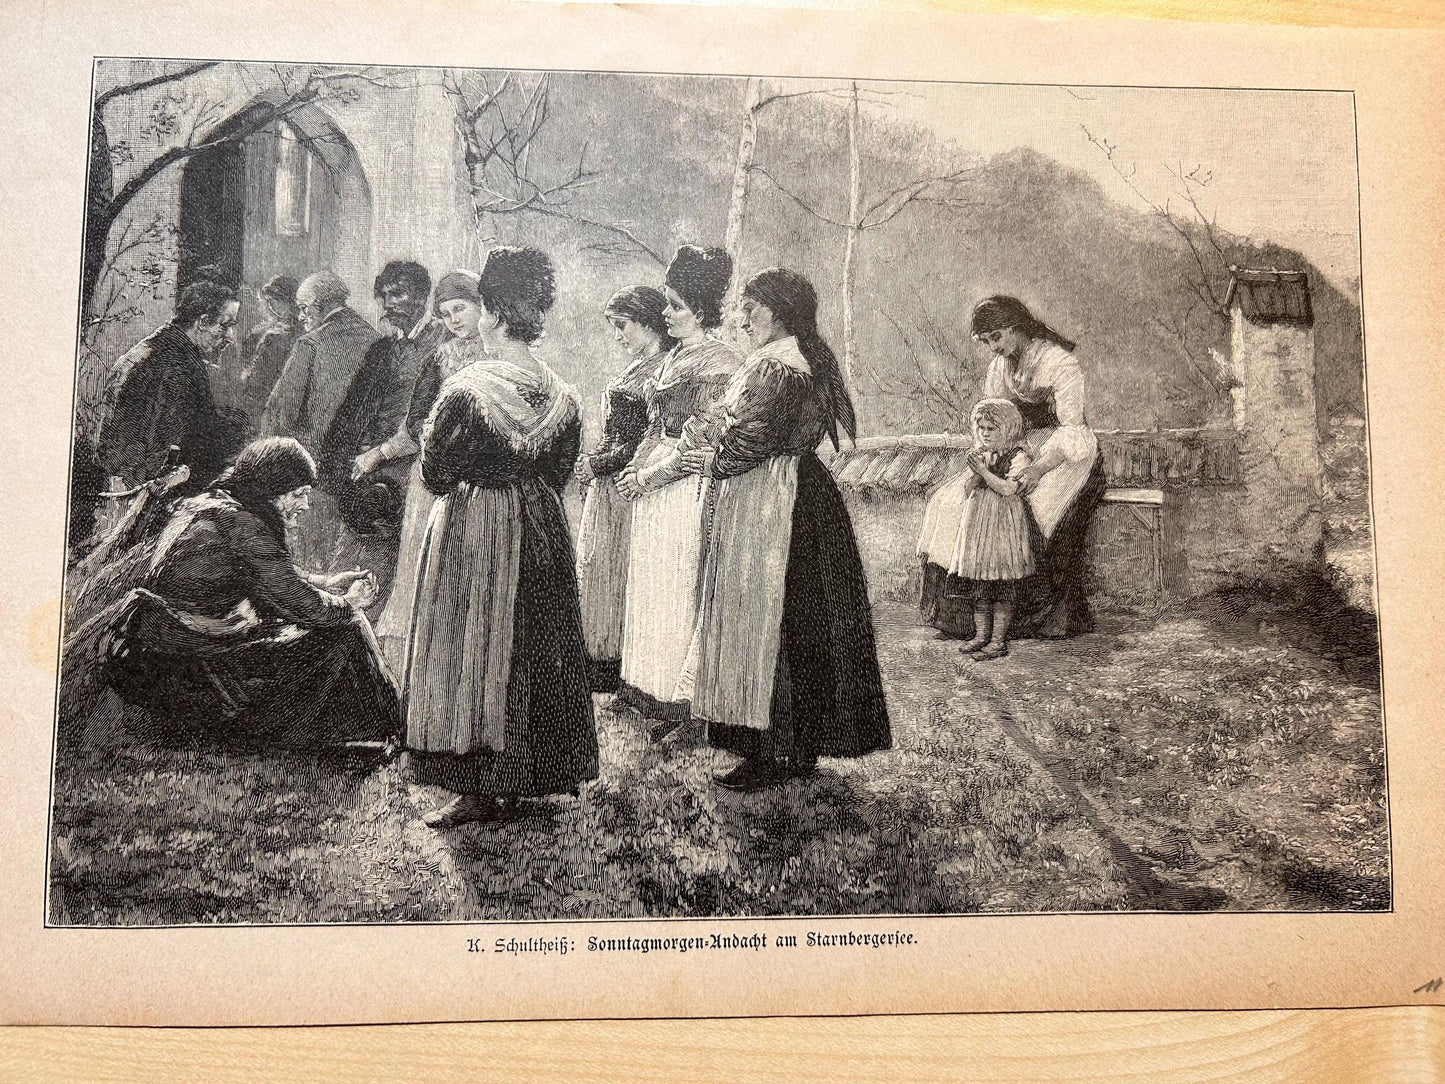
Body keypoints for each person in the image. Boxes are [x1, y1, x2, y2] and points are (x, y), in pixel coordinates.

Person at [404, 247, 598, 829]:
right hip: (541, 526)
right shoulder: (563, 394)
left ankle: (478, 786)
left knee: (476, 641)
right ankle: (528, 773)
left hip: (477, 527)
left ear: (490, 313)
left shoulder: (467, 388)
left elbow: (434, 472)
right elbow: (560, 472)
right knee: (533, 642)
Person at [678, 267, 890, 791]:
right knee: (794, 624)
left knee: (773, 622)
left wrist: (705, 454)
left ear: (781, 312)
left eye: (753, 308)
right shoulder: (792, 361)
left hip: (776, 504)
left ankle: (775, 751)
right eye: (742, 308)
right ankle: (788, 748)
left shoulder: (779, 367)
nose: (743, 318)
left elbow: (744, 445)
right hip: (794, 498)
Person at [100, 437, 400, 749]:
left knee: (321, 623)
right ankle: (383, 729)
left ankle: (368, 730)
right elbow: (301, 604)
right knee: (348, 626)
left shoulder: (212, 505)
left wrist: (324, 581)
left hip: (170, 647)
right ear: (272, 491)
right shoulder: (242, 524)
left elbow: (266, 573)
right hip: (197, 662)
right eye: (298, 494)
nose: (306, 505)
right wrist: (348, 602)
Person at [920, 296, 1104, 640]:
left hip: (1064, 456)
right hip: (1015, 449)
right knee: (949, 501)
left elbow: (1072, 431)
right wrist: (988, 459)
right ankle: (959, 617)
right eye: (987, 341)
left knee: (1027, 505)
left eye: (997, 338)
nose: (994, 348)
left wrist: (1036, 469)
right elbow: (992, 418)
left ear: (1016, 329)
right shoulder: (1000, 368)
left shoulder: (1060, 363)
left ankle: (1032, 619)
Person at [614, 245, 741, 728]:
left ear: (703, 310)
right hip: (654, 487)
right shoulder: (672, 359)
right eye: (666, 303)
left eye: (676, 306)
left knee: (679, 588)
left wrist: (650, 475)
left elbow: (698, 443)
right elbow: (655, 426)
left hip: (687, 490)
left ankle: (682, 702)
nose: (665, 314)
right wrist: (637, 466)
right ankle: (649, 690)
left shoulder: (723, 362)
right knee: (651, 588)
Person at [372, 269, 491, 672]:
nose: (454, 319)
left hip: (483, 480)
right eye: (445, 313)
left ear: (482, 305)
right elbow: (416, 424)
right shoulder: (440, 358)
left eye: (461, 309)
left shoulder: (501, 354)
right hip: (437, 477)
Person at [317, 261, 446, 616]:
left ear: (421, 296)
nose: (389, 304)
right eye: (385, 295)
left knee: (390, 574)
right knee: (349, 566)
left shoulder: (443, 345)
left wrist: (382, 454)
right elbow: (352, 412)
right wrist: (336, 467)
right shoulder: (382, 350)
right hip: (368, 477)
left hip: (411, 474)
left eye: (399, 294)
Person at [573, 286, 676, 692]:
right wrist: (590, 463)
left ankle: (616, 663)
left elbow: (638, 441)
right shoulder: (638, 366)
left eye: (622, 326)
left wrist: (596, 463)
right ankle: (599, 658)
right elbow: (615, 433)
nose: (618, 335)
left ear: (647, 321)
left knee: (620, 571)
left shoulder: (662, 369)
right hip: (608, 484)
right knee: (600, 569)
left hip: (628, 485)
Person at [262, 269, 382, 569]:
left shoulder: (310, 344)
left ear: (319, 304)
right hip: (363, 473)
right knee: (348, 560)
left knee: (312, 560)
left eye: (304, 309)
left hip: (315, 472)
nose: (301, 317)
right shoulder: (378, 340)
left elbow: (279, 414)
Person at [94, 279, 247, 498]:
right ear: (202, 322)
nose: (230, 337)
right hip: (141, 494)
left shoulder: (155, 348)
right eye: (225, 325)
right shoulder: (176, 364)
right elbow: (170, 446)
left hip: (121, 484)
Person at [918, 398, 1035, 660]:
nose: (984, 433)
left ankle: (998, 641)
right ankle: (981, 636)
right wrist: (974, 475)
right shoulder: (984, 453)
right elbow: (969, 488)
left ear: (1006, 428)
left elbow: (1008, 489)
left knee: (1002, 588)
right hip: (980, 529)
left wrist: (982, 471)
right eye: (981, 427)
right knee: (980, 589)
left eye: (990, 428)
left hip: (1004, 527)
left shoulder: (1019, 455)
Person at [237, 274, 302, 420]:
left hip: (269, 405)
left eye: (270, 300)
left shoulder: (275, 335)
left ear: (279, 300)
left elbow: (257, 381)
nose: (269, 304)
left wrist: (246, 378)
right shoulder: (306, 329)